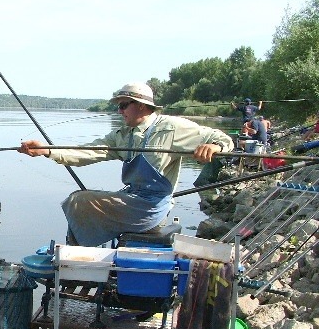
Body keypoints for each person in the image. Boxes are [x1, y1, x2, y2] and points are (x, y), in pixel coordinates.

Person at [18, 82, 234, 247]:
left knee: (78, 201)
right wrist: (47, 150)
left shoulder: (171, 127)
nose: (119, 111)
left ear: (140, 106)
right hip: (132, 199)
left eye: (123, 105)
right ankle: (83, 257)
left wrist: (215, 147)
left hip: (151, 208)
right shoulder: (123, 135)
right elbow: (88, 151)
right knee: (81, 202)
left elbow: (222, 138)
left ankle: (79, 261)